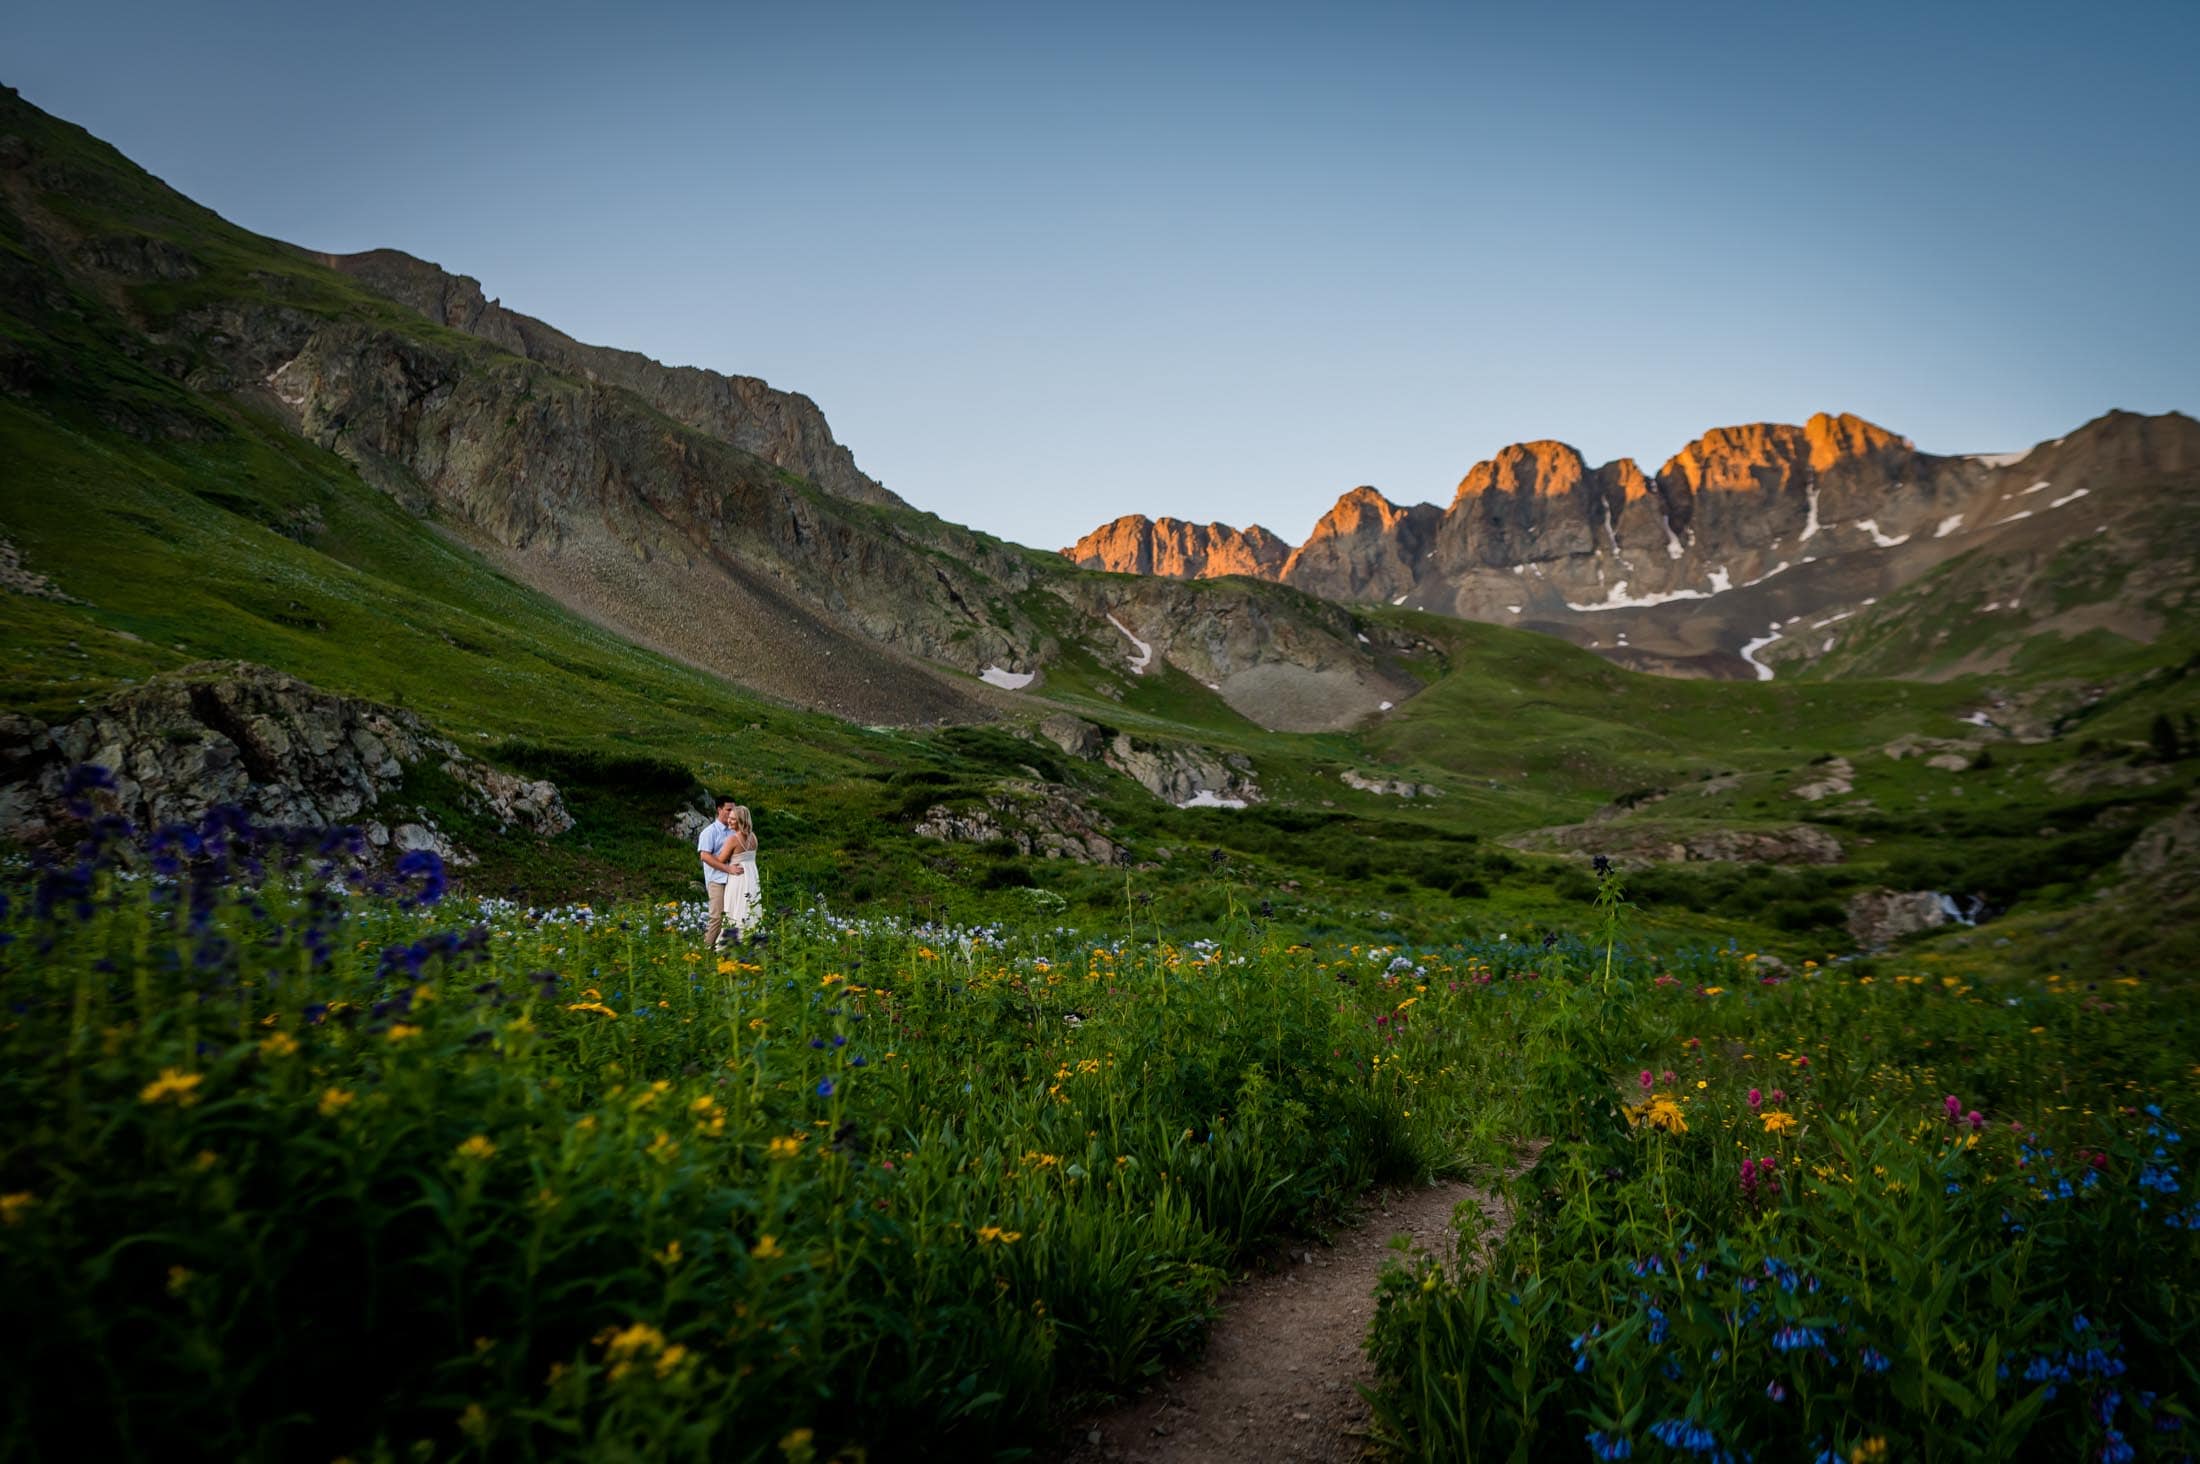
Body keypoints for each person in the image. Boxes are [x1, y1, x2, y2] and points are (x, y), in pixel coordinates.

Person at [697, 797, 741, 949]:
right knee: (716, 916)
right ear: (719, 810)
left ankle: (724, 948)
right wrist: (727, 868)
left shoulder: (734, 831)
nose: (731, 813)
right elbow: (705, 856)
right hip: (717, 880)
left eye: (733, 810)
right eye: (728, 810)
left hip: (733, 879)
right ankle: (706, 949)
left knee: (733, 916)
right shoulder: (709, 832)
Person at [723, 804, 764, 943]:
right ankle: (751, 939)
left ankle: (732, 941)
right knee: (750, 907)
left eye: (733, 819)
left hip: (738, 878)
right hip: (752, 877)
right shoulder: (754, 838)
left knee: (734, 907)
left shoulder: (733, 839)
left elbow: (720, 860)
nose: (729, 821)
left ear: (741, 821)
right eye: (729, 818)